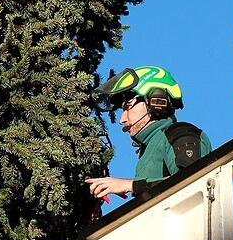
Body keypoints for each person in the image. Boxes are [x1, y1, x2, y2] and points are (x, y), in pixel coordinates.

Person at [87, 65, 211, 200]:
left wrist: (131, 186)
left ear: (156, 101)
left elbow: (192, 182)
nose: (122, 119)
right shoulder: (148, 150)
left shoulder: (179, 134)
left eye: (127, 107)